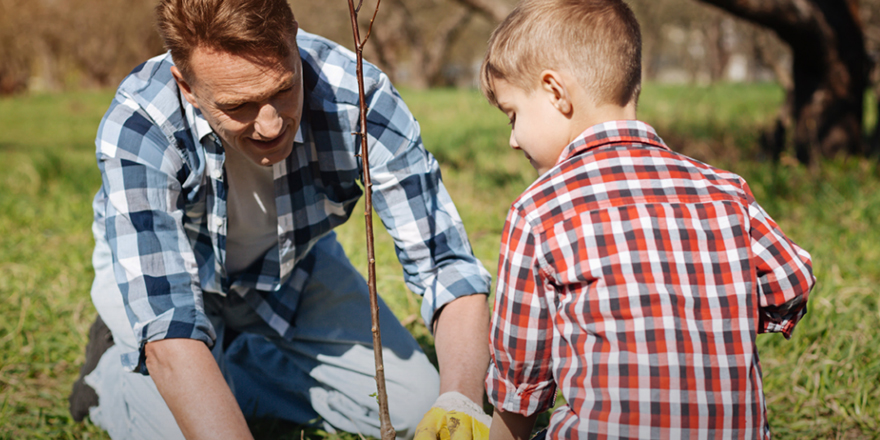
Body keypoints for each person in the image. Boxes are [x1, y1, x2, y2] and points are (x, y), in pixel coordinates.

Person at [68, 0, 495, 438]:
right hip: (169, 281)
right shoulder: (139, 123)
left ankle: (234, 367)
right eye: (240, 106)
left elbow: (445, 263)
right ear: (188, 86)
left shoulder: (357, 94)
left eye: (282, 90)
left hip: (291, 266)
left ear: (293, 37)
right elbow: (169, 328)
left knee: (419, 408)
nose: (271, 125)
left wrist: (460, 401)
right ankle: (109, 379)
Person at [478, 0, 816, 438]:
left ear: (555, 93)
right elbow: (792, 282)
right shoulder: (724, 190)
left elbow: (521, 375)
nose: (512, 140)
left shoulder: (539, 210)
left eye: (513, 115)